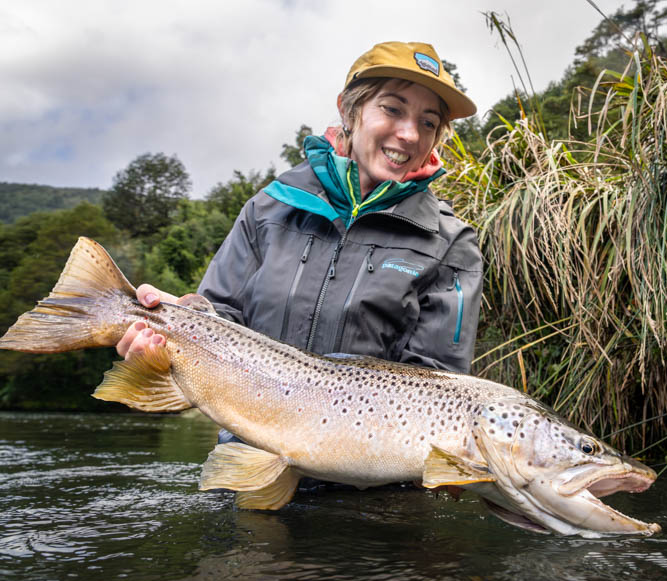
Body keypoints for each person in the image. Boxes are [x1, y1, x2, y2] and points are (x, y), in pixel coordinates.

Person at [117, 41, 483, 399]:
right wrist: (171, 334)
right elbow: (220, 319)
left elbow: (439, 386)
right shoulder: (269, 208)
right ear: (348, 111)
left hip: (369, 457)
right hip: (246, 447)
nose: (410, 134)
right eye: (392, 110)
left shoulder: (451, 243)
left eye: (428, 122)